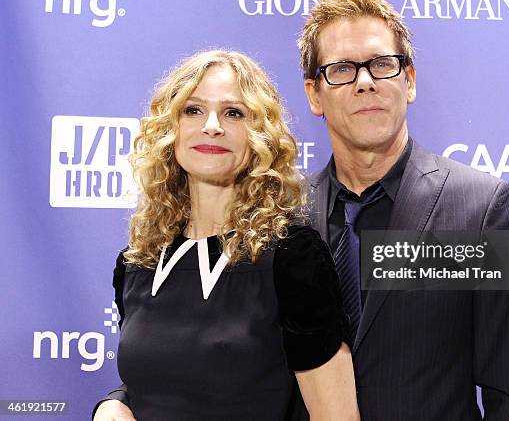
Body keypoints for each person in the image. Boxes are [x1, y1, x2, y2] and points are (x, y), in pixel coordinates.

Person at [297, 0, 509, 420]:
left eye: (381, 64)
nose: (365, 81)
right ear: (314, 95)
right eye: (341, 69)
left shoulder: (482, 208)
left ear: (408, 81)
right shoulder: (282, 215)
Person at [93, 50, 360, 421]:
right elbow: (158, 377)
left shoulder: (291, 256)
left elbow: (336, 416)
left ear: (258, 137)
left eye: (233, 113)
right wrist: (111, 406)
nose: (212, 125)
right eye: (193, 110)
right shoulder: (139, 261)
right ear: (170, 130)